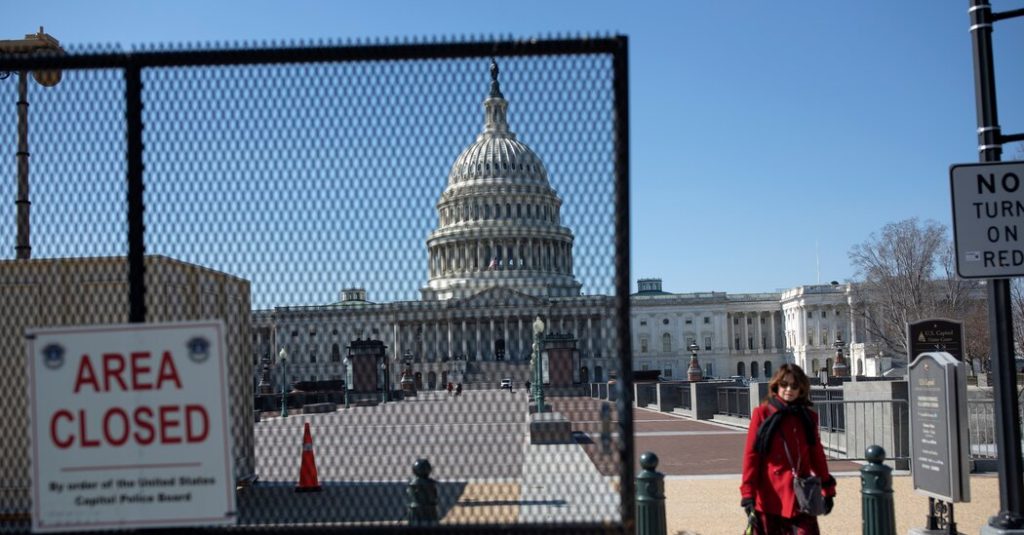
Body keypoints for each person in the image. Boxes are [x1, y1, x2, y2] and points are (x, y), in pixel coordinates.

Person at [740, 363, 836, 534]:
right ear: (776, 385)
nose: (788, 389)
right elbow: (751, 456)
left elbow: (817, 455)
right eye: (784, 384)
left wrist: (828, 489)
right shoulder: (762, 413)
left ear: (801, 389)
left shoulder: (808, 417)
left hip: (801, 494)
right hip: (770, 494)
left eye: (794, 385)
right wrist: (748, 493)